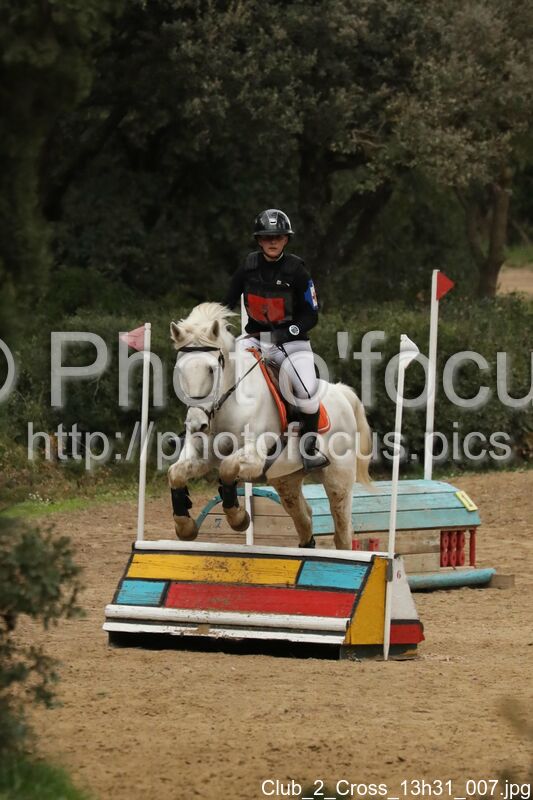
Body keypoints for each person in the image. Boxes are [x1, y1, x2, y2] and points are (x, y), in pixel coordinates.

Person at [224, 208, 329, 471]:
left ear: (286, 240)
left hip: (291, 342)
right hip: (254, 339)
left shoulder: (297, 271)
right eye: (267, 237)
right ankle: (198, 427)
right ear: (259, 240)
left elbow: (311, 314)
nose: (272, 241)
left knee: (307, 392)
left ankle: (308, 449)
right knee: (217, 366)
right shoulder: (248, 266)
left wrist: (289, 332)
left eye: (278, 237)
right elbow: (226, 302)